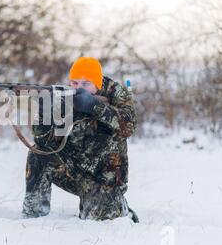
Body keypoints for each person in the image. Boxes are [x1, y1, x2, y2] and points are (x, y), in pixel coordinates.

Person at [22, 57, 139, 222]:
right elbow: (43, 141)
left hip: (104, 180)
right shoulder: (64, 96)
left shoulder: (116, 93)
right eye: (74, 83)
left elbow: (129, 126)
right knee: (38, 153)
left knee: (98, 222)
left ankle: (121, 208)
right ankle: (33, 216)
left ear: (97, 84)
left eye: (85, 84)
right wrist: (43, 114)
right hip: (74, 172)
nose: (78, 88)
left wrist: (94, 106)